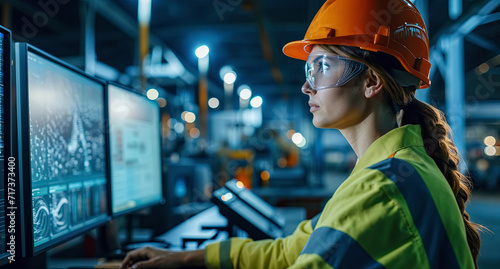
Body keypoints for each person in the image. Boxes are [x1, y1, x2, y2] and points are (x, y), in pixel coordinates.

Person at [120, 0, 484, 268]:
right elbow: (292, 251)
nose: (307, 88)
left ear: (371, 81)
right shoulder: (395, 169)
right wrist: (186, 260)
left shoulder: (382, 188)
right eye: (309, 70)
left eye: (322, 67)